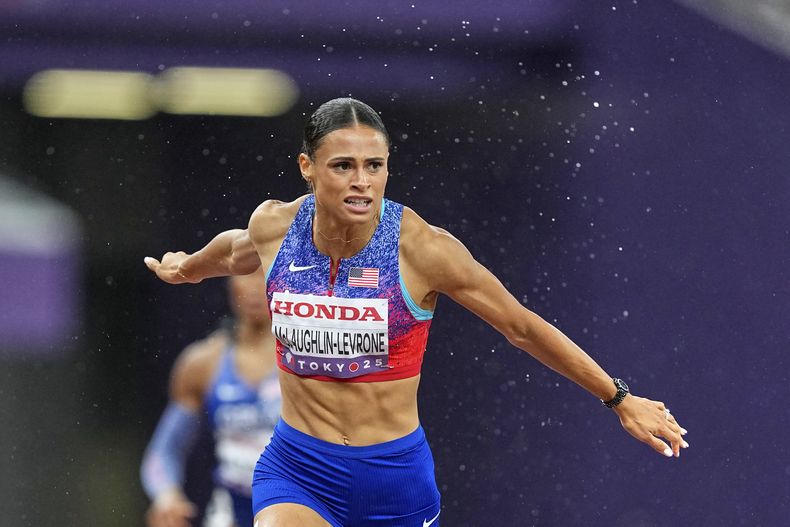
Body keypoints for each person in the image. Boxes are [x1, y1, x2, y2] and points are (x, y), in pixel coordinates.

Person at [144, 97, 689, 527]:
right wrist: (188, 267)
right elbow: (236, 249)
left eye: (374, 165)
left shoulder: (422, 249)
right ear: (308, 168)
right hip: (298, 465)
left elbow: (521, 327)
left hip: (393, 476)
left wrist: (617, 397)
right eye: (343, 166)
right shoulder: (276, 228)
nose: (362, 181)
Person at [140, 267, 281, 527]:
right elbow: (164, 450)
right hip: (230, 509)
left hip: (292, 504)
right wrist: (166, 495)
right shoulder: (202, 363)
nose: (254, 286)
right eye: (246, 272)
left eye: (265, 273)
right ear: (229, 281)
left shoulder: (307, 361)